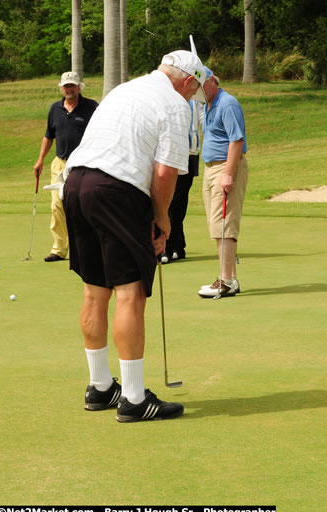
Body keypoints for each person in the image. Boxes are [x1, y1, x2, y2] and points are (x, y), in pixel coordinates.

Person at [62, 51, 206, 423]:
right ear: (188, 82)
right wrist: (162, 221)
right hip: (115, 189)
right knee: (130, 292)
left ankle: (99, 387)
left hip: (75, 183)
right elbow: (163, 174)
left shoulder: (126, 89)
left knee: (95, 290)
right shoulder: (176, 104)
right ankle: (134, 399)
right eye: (195, 91)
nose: (194, 98)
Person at [33, 72, 98, 262]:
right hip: (60, 164)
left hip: (84, 164)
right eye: (66, 86)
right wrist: (40, 160)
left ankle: (88, 246)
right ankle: (59, 249)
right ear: (61, 87)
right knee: (57, 205)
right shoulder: (55, 109)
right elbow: (49, 136)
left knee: (83, 205)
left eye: (73, 86)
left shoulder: (91, 107)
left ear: (79, 87)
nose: (69, 89)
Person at [197, 69, 248, 298]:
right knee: (217, 226)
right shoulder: (207, 105)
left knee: (224, 226)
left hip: (225, 168)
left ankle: (225, 281)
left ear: (211, 81)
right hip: (210, 169)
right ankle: (230, 278)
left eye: (199, 85)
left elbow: (236, 140)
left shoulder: (227, 103)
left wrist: (228, 173)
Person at [161, 98, 203, 264]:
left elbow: (204, 121)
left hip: (190, 155)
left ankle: (170, 247)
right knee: (172, 202)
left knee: (177, 202)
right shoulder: (167, 99)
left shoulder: (195, 103)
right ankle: (177, 245)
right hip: (170, 154)